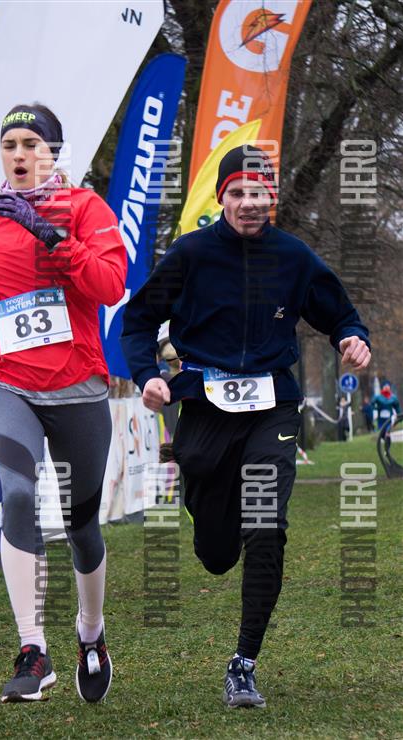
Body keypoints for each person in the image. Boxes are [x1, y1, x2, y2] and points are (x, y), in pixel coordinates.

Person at [120, 144, 371, 709]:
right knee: (216, 554)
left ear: (271, 197)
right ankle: (211, 511)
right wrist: (148, 376)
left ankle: (244, 663)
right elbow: (137, 321)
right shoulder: (190, 254)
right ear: (222, 197)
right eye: (238, 192)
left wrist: (353, 339)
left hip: (272, 406)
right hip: (204, 409)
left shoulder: (293, 257)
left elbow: (341, 315)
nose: (250, 202)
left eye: (259, 192)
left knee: (265, 525)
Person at [0, 103, 127, 703]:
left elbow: (110, 285)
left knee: (82, 526)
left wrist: (51, 235)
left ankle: (91, 633)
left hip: (78, 385)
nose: (20, 154)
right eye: (10, 145)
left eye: (32, 143)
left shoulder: (86, 209)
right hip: (8, 381)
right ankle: (33, 648)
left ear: (53, 152)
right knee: (18, 496)